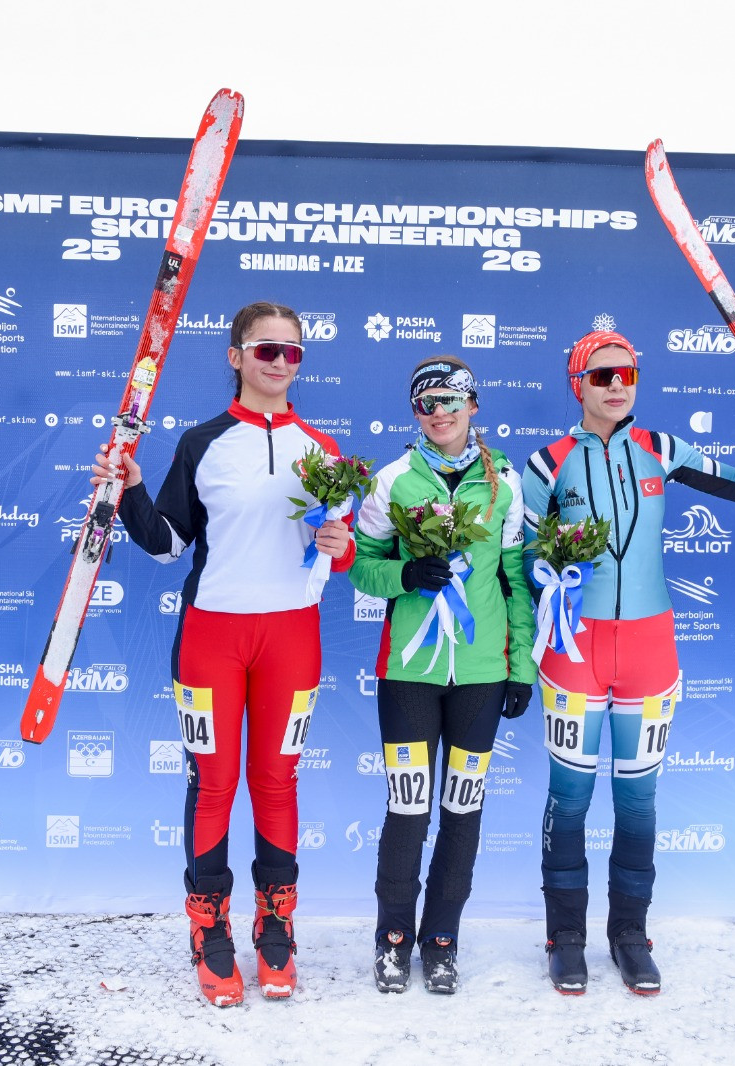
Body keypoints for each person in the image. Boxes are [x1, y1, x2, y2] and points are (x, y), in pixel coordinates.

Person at [521, 329, 735, 996]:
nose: (617, 385)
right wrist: (548, 580)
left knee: (638, 800)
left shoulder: (661, 449)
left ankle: (630, 935)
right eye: (602, 375)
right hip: (576, 648)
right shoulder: (547, 463)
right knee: (570, 797)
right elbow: (523, 560)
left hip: (650, 646)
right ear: (577, 385)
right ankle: (565, 938)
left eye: (628, 373)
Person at [91, 301, 354, 1007]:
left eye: (293, 352)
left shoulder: (322, 450)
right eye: (266, 349)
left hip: (291, 638)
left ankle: (276, 924)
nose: (280, 362)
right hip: (213, 637)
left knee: (277, 781)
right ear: (236, 357)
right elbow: (167, 543)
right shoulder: (201, 442)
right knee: (213, 784)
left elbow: (339, 550)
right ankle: (208, 929)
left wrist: (342, 546)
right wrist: (129, 490)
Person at [349, 356, 536, 995]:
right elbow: (360, 565)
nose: (439, 413)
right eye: (425, 404)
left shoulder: (504, 482)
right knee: (407, 808)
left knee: (462, 810)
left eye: (451, 401)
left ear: (472, 405)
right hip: (410, 672)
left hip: (482, 674)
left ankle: (442, 940)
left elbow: (516, 579)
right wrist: (404, 574)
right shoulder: (393, 480)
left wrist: (521, 667)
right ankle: (393, 939)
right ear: (415, 413)